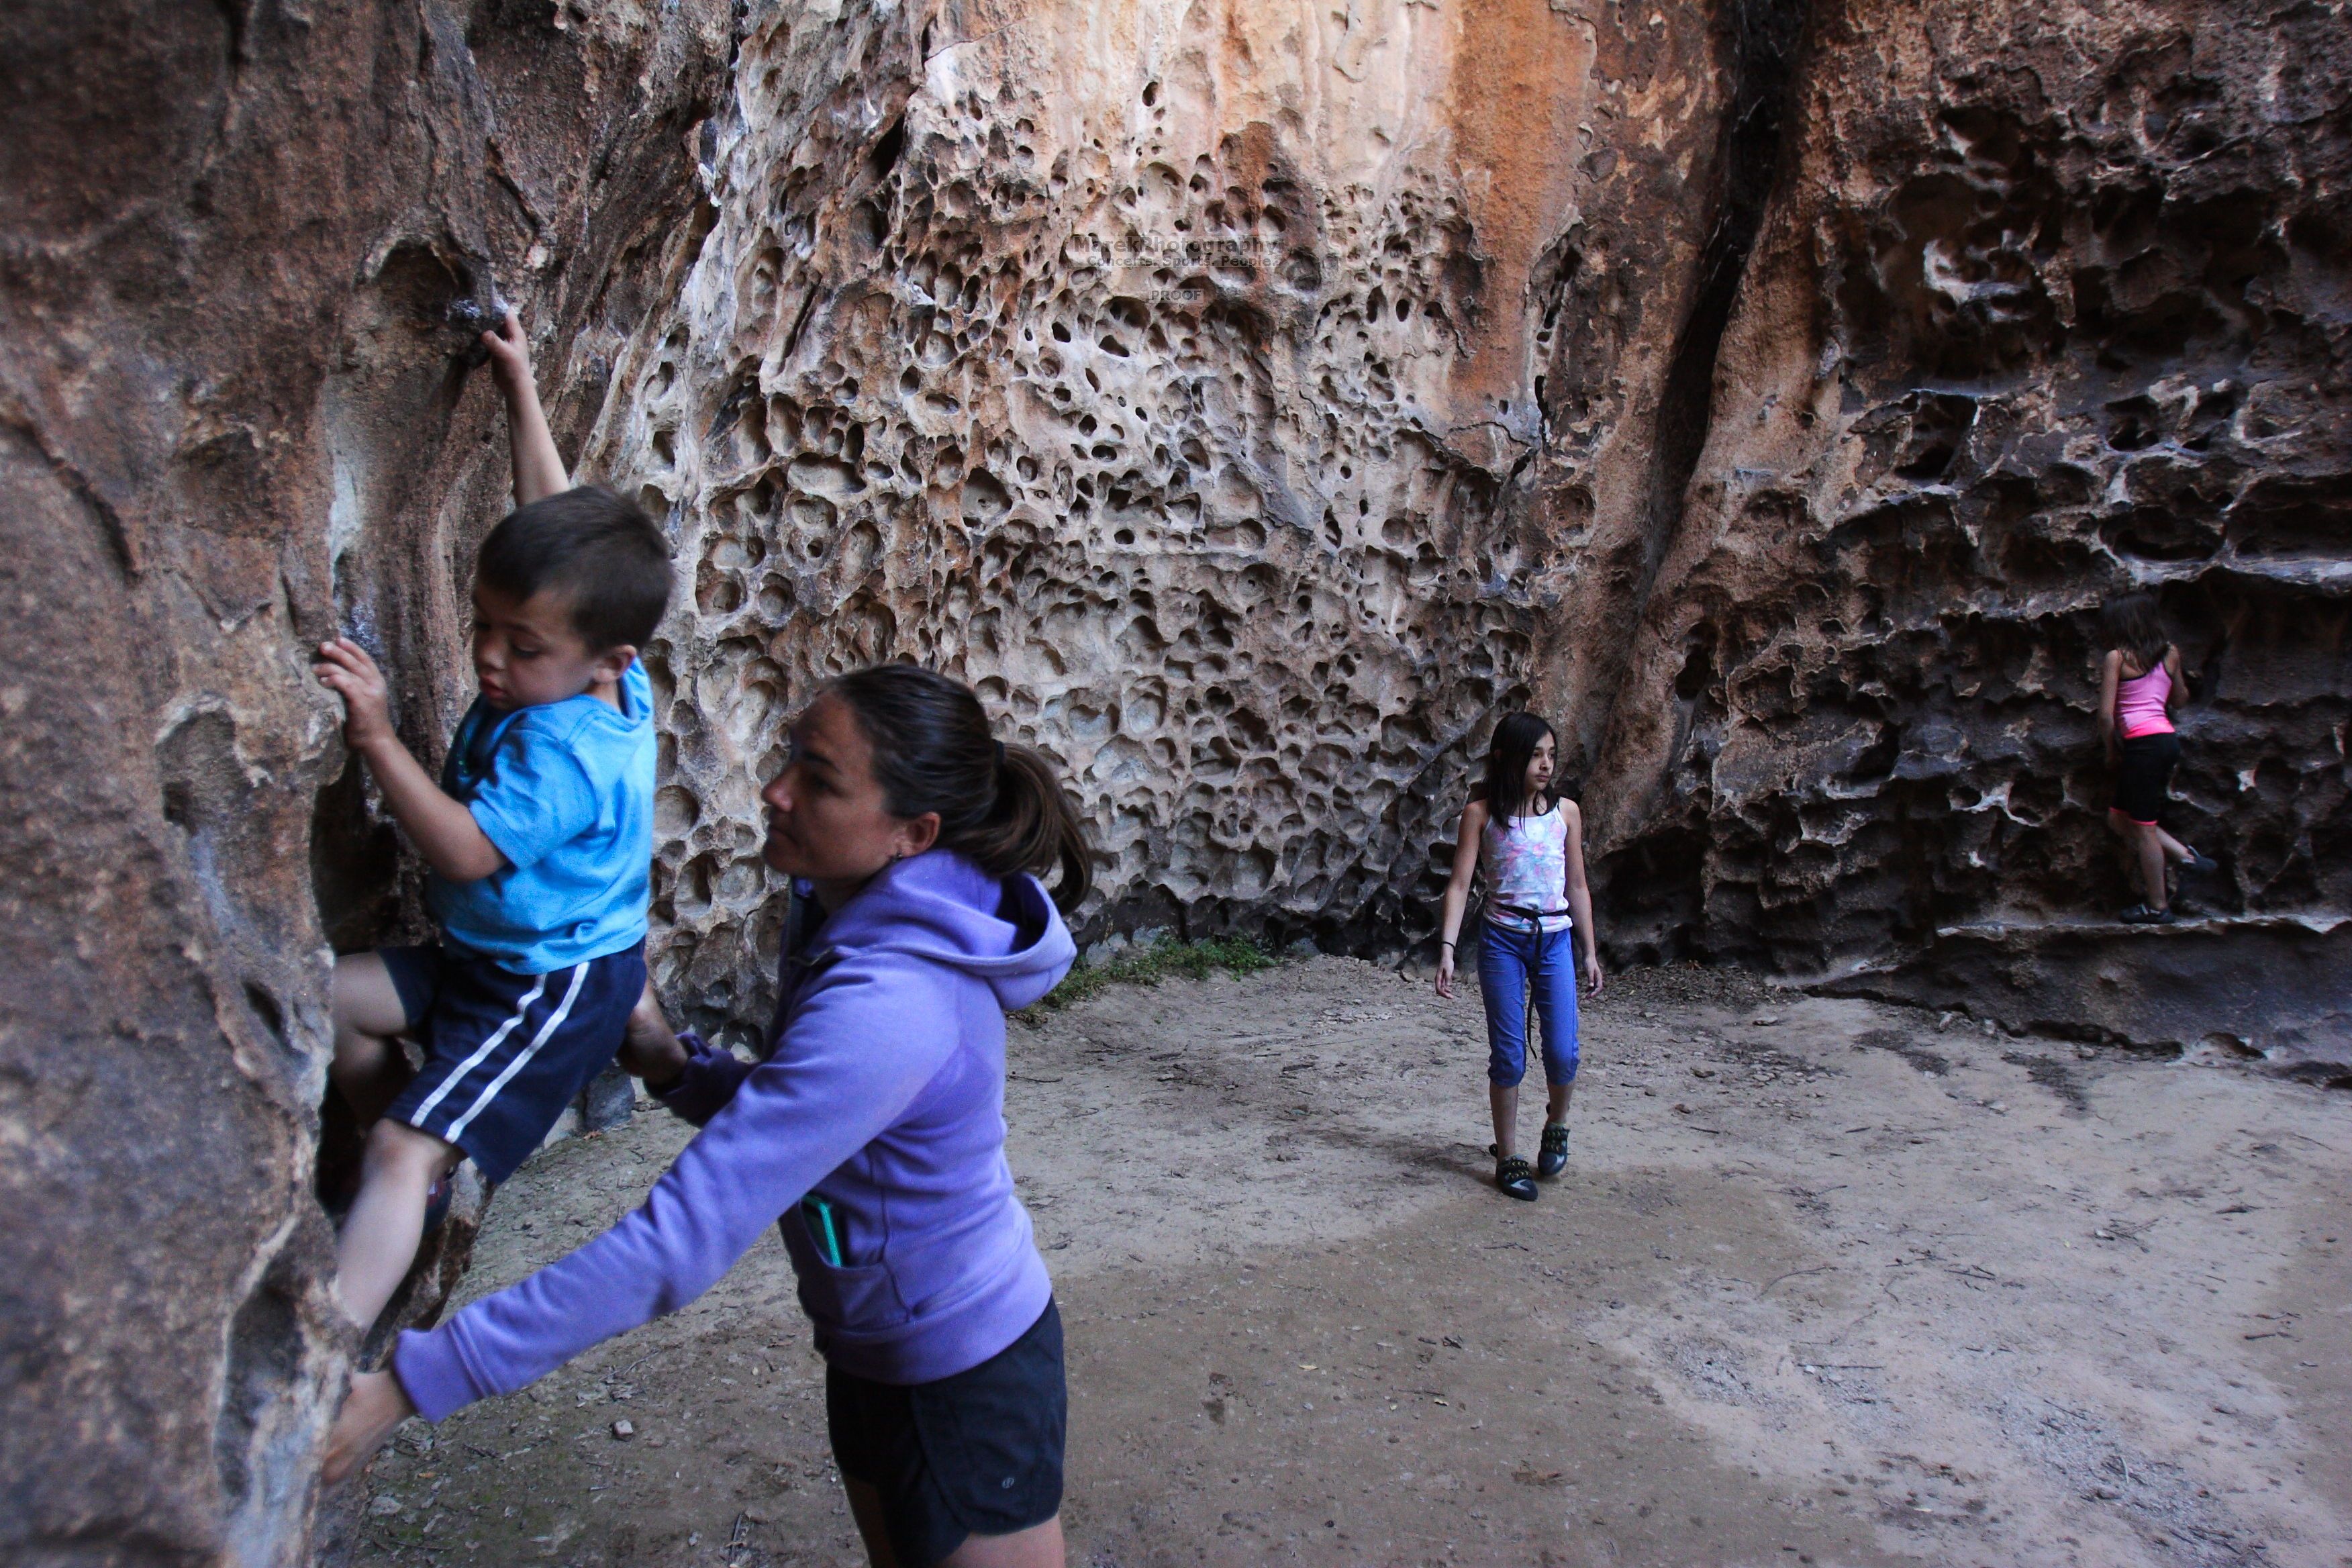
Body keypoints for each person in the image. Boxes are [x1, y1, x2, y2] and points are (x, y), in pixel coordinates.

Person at [323, 664, 1093, 1568]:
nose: (776, 791)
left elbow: (674, 1244)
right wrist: (677, 1068)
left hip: (963, 1374)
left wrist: (410, 1384)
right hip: (882, 1347)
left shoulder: (892, 1001)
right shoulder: (859, 905)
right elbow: (824, 1123)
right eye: (792, 757)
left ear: (910, 833)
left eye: (819, 780)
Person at [312, 309, 673, 1333]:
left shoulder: (565, 752)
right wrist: (518, 381)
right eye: (481, 627)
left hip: (546, 986)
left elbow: (467, 850)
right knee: (329, 1001)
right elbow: (551, 519)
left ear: (610, 661)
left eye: (521, 647)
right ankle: (396, 1168)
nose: (488, 660)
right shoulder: (601, 653)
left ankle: (334, 1343)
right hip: (490, 954)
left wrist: (378, 736)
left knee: (405, 1148)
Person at [1432, 713, 1603, 1202]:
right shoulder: (1481, 814)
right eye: (1536, 754)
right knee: (1508, 1057)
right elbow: (1461, 884)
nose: (1546, 764)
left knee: (1563, 1051)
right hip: (1502, 940)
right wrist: (1447, 948)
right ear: (1506, 757)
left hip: (1554, 939)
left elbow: (1577, 885)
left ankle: (1557, 1124)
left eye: (1551, 753)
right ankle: (1509, 1156)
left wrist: (1590, 952)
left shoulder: (1565, 812)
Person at [2097, 590, 2218, 925]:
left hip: (2142, 745)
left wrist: (2111, 750)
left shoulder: (2117, 658)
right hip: (2166, 741)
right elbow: (2180, 699)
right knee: (2119, 819)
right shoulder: (2170, 653)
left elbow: (2106, 716)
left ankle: (2157, 906)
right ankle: (2188, 858)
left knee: (2144, 827)